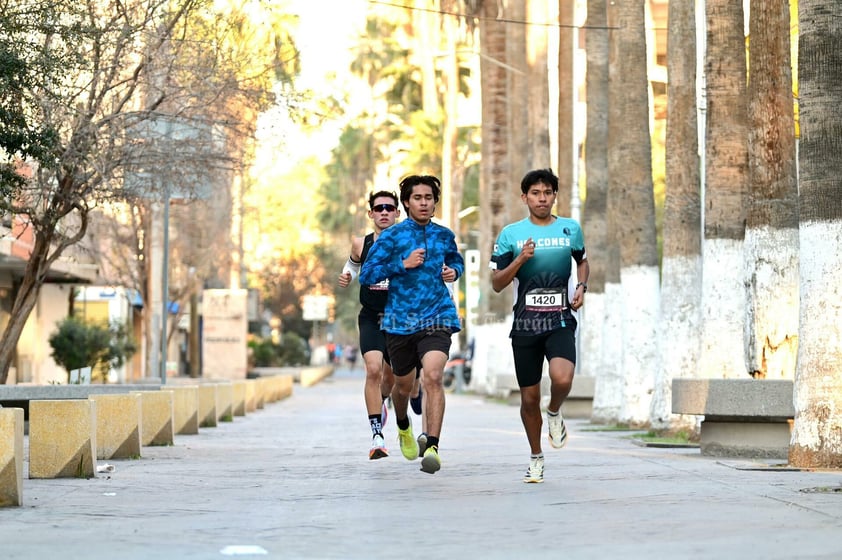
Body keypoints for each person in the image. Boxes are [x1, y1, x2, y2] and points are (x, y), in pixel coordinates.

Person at [489, 168, 589, 484]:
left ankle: (555, 411)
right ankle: (536, 457)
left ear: (554, 196)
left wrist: (581, 287)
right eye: (535, 193)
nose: (541, 198)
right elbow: (496, 283)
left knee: (563, 378)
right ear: (525, 198)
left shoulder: (569, 229)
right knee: (529, 398)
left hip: (559, 319)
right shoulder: (511, 234)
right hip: (525, 326)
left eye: (547, 192)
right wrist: (520, 259)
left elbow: (582, 261)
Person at [359, 174, 464, 474]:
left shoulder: (444, 235)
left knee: (432, 376)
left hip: (438, 315)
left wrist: (453, 272)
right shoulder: (392, 237)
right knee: (403, 386)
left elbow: (455, 261)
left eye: (428, 198)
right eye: (417, 198)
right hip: (400, 322)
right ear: (406, 203)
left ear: (434, 202)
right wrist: (401, 265)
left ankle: (432, 446)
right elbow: (368, 274)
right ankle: (403, 425)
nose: (424, 203)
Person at [338, 190, 401, 460]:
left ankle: (385, 400)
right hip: (371, 316)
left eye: (389, 208)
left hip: (400, 317)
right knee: (373, 370)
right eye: (379, 208)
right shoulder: (360, 244)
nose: (384, 212)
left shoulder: (407, 242)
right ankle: (377, 435)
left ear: (398, 212)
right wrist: (347, 276)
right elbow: (352, 265)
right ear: (371, 214)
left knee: (393, 377)